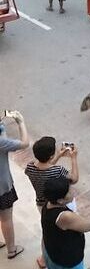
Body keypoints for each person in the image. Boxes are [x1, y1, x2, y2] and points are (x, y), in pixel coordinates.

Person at [25, 138, 80, 269]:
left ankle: (44, 258)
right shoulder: (58, 171)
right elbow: (74, 179)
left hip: (42, 204)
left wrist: (58, 156)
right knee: (63, 231)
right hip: (59, 204)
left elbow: (45, 167)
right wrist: (73, 158)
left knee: (47, 231)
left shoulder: (30, 167)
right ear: (50, 155)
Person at [41, 176, 90, 269]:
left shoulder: (48, 204)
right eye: (69, 192)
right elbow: (89, 226)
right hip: (67, 261)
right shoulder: (65, 216)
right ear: (60, 200)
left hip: (51, 251)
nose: (73, 192)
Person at [0, 110, 30, 260]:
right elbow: (25, 143)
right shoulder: (1, 143)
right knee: (5, 218)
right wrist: (20, 122)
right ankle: (11, 250)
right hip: (1, 188)